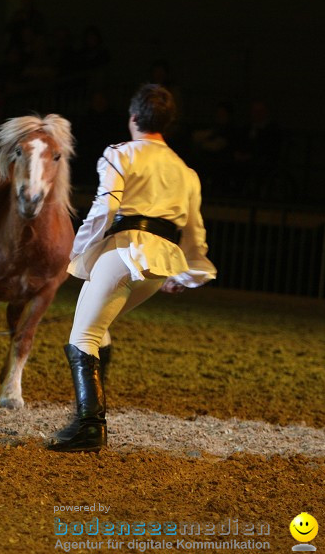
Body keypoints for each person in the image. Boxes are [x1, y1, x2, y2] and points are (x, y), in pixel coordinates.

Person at [48, 84, 217, 453]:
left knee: (82, 337)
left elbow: (105, 209)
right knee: (98, 328)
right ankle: (87, 417)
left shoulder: (119, 154)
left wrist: (77, 253)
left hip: (125, 251)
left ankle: (90, 425)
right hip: (159, 264)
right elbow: (194, 230)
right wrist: (184, 275)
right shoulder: (186, 172)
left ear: (134, 118)